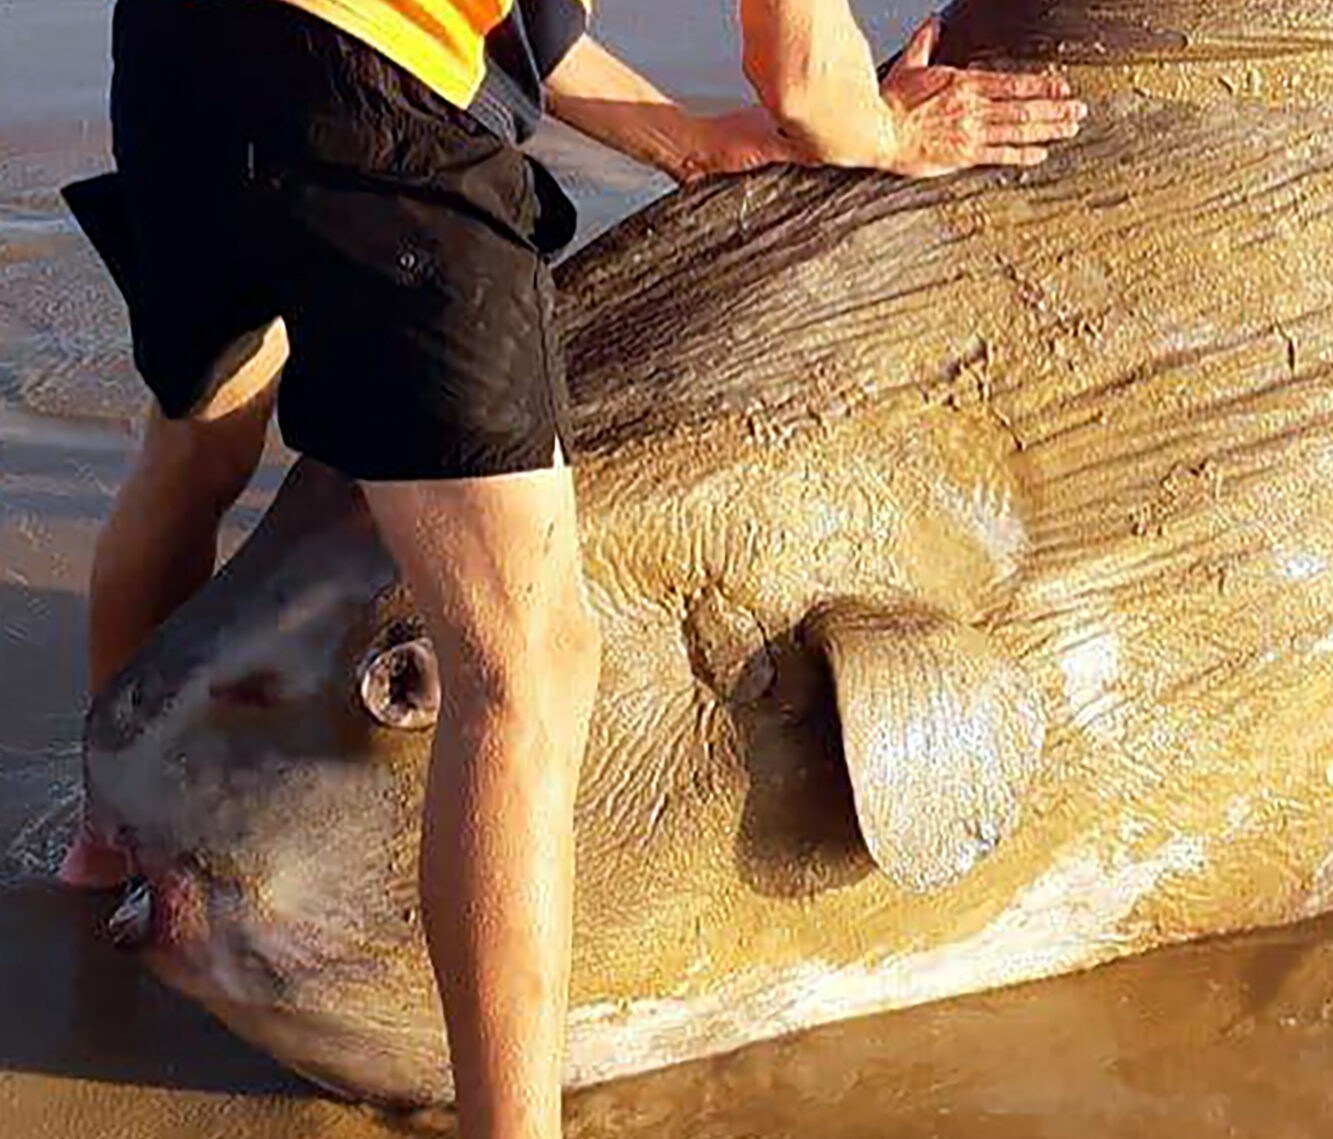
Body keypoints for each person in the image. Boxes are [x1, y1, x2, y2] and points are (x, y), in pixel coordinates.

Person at [59, 1, 1085, 1136]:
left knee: (198, 437)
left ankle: (107, 847)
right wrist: (885, 134)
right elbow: (802, 72)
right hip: (370, 107)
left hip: (178, 53)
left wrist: (690, 146)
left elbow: (525, 26)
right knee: (527, 663)